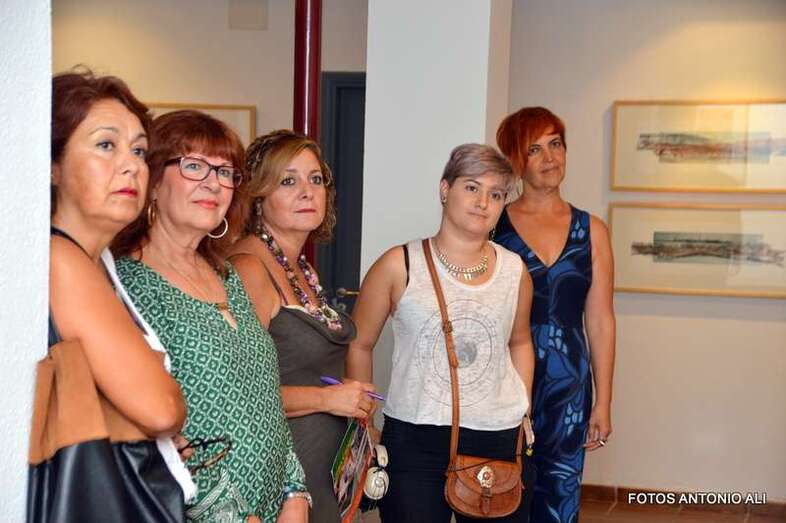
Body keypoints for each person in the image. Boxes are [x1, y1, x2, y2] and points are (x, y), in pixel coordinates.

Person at [112, 112, 309, 523]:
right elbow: (146, 432)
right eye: (194, 166)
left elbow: (265, 399)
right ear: (152, 181)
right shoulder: (128, 284)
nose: (213, 183)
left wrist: (294, 492)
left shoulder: (229, 277)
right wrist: (230, 516)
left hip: (276, 503)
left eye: (224, 172)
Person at [346, 144, 536, 522]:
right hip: (415, 438)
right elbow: (359, 344)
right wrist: (363, 422)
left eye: (496, 194)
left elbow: (520, 342)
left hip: (496, 437)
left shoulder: (515, 271)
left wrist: (522, 405)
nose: (483, 202)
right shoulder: (399, 264)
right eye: (472, 187)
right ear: (445, 189)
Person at [48, 70, 191, 513]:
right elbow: (162, 409)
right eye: (106, 145)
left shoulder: (100, 262)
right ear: (52, 165)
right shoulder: (60, 259)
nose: (131, 165)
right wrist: (163, 404)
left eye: (139, 150)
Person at [229, 130, 376, 523]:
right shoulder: (249, 269)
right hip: (281, 475)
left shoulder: (301, 267)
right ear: (258, 196)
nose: (307, 192)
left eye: (316, 179)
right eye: (288, 181)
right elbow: (237, 396)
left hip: (323, 470)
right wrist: (328, 400)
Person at [494, 106, 616, 522]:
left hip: (569, 382)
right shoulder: (493, 226)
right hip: (505, 374)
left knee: (560, 494)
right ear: (516, 159)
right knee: (501, 489)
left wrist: (603, 401)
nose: (550, 158)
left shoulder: (592, 230)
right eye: (535, 149)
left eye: (556, 144)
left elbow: (600, 320)